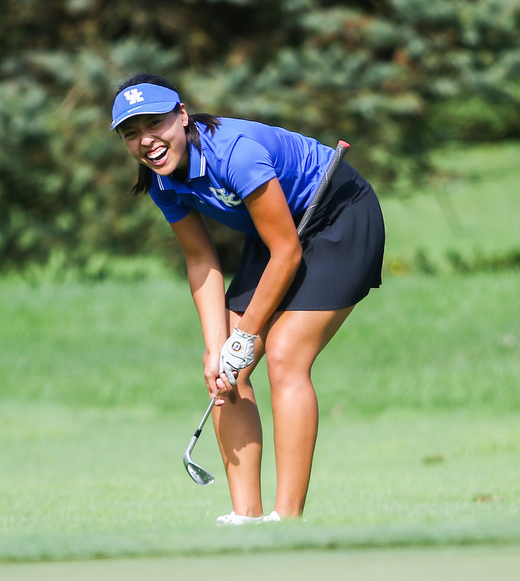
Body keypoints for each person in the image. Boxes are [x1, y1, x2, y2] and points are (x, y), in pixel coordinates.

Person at [110, 74, 384, 524]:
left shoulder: (233, 153)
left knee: (284, 355)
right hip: (278, 232)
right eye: (131, 134)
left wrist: (246, 332)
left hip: (337, 214)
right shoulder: (162, 182)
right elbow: (201, 260)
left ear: (182, 115)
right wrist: (217, 345)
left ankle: (286, 521)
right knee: (226, 372)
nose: (147, 141)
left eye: (155, 124)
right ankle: (247, 518)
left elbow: (287, 252)